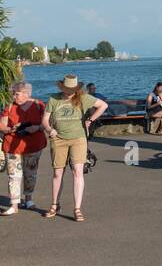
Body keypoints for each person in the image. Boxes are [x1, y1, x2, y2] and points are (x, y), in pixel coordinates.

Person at [41, 75, 107, 222]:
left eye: (72, 90)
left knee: (78, 172)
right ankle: (54, 205)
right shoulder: (54, 99)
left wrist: (90, 120)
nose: (69, 92)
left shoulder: (83, 97)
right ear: (62, 88)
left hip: (78, 139)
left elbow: (103, 105)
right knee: (58, 173)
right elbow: (45, 120)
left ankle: (77, 208)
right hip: (58, 139)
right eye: (66, 89)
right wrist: (49, 129)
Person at [0, 81, 46, 215]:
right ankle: (14, 205)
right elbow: (2, 125)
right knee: (14, 175)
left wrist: (36, 127)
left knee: (30, 174)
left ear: (26, 94)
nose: (14, 96)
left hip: (33, 146)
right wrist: (10, 128)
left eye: (16, 94)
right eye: (13, 93)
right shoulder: (9, 106)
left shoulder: (39, 105)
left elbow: (46, 124)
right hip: (12, 146)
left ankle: (28, 199)